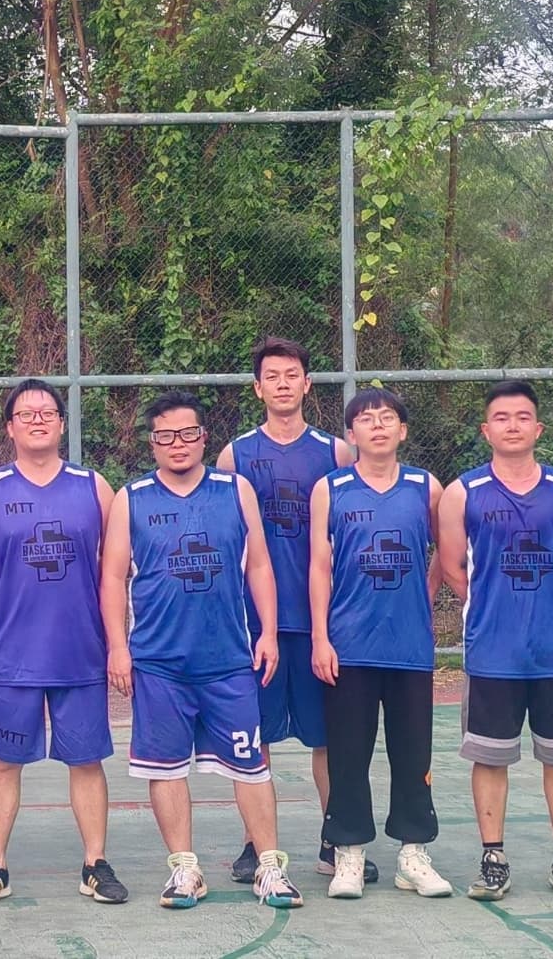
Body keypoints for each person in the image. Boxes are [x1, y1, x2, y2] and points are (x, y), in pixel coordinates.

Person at [101, 389, 303, 911]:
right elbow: (113, 577)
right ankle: (184, 869)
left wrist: (269, 632)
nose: (178, 443)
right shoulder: (132, 497)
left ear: (204, 437)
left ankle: (269, 866)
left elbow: (259, 564)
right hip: (159, 662)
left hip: (228, 659)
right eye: (166, 435)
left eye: (188, 433)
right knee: (165, 767)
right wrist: (118, 647)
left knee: (251, 764)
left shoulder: (235, 490)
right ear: (152, 442)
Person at [0, 379, 128, 907]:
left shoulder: (93, 486)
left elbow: (114, 567)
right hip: (12, 652)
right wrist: (5, 588)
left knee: (87, 760)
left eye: (46, 412)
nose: (37, 420)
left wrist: (117, 642)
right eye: (26, 414)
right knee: (3, 762)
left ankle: (95, 863)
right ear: (9, 427)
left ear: (61, 423)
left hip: (80, 650)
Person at [437, 379, 553, 902]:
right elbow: (453, 566)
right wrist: (494, 605)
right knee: (490, 757)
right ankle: (493, 859)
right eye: (502, 417)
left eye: (523, 416)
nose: (513, 425)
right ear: (486, 430)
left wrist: (540, 601)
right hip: (493, 650)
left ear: (538, 428)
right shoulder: (464, 492)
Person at [217, 336, 362, 884]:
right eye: (272, 376)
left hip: (323, 624)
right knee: (255, 740)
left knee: (329, 739)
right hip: (259, 626)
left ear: (307, 383)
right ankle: (257, 844)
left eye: (291, 374)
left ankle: (336, 838)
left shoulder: (336, 453)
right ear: (258, 388)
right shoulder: (234, 456)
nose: (282, 383)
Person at [308, 387, 453, 899]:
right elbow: (319, 566)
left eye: (387, 417)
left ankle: (413, 853)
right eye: (366, 419)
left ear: (402, 430)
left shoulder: (425, 486)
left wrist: (426, 590)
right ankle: (348, 853)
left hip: (409, 645)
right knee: (348, 754)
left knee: (412, 752)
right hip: (349, 645)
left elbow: (446, 550)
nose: (377, 426)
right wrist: (320, 636)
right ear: (351, 434)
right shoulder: (330, 488)